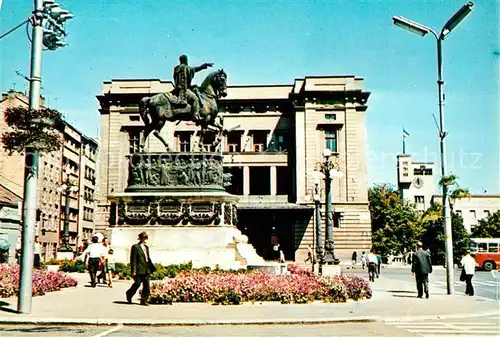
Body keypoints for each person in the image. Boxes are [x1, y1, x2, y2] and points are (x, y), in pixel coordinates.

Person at [173, 54, 213, 122]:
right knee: (195, 99)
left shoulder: (176, 68)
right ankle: (196, 116)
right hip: (184, 90)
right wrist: (203, 66)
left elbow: (174, 77)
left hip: (176, 89)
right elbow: (195, 69)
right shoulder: (187, 68)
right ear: (185, 60)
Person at [126, 231, 156, 306]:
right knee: (137, 284)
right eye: (144, 238)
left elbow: (147, 258)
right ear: (140, 239)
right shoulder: (135, 247)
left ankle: (144, 300)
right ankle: (129, 294)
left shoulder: (146, 247)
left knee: (147, 286)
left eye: (146, 238)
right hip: (139, 269)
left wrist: (151, 267)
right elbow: (133, 260)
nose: (145, 239)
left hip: (146, 269)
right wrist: (134, 270)